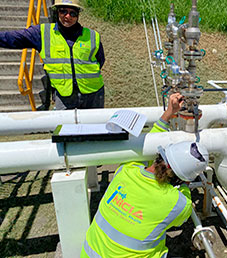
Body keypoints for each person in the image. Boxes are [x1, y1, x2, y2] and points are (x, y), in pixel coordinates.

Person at [81, 93, 209, 258]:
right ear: (182, 178)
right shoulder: (178, 203)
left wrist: (168, 114)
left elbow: (145, 149)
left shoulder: (126, 170)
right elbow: (185, 196)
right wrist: (185, 181)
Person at [0, 0, 105, 110]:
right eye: (63, 11)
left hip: (94, 94)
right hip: (64, 95)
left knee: (95, 126)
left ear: (78, 15)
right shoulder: (42, 33)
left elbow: (100, 60)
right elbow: (14, 38)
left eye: (72, 13)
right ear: (57, 12)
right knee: (64, 126)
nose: (67, 16)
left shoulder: (92, 36)